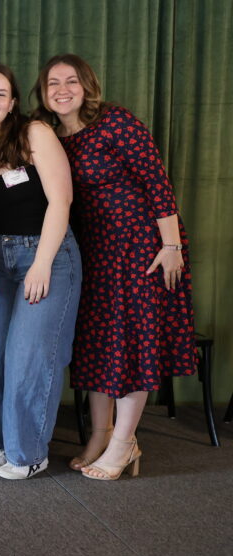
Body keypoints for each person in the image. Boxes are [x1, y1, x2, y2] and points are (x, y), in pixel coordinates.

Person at [34, 54, 196, 480]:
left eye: (71, 81)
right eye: (53, 83)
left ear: (87, 86)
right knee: (100, 343)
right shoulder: (50, 136)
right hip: (92, 251)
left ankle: (125, 443)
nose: (62, 90)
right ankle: (101, 435)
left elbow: (156, 181)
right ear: (43, 92)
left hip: (141, 247)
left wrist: (171, 244)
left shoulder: (115, 122)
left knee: (134, 341)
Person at [0, 64, 82, 480]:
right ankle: (0, 443)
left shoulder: (35, 134)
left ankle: (29, 453)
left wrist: (43, 263)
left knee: (28, 356)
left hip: (46, 255)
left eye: (0, 94)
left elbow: (61, 201)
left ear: (13, 103)